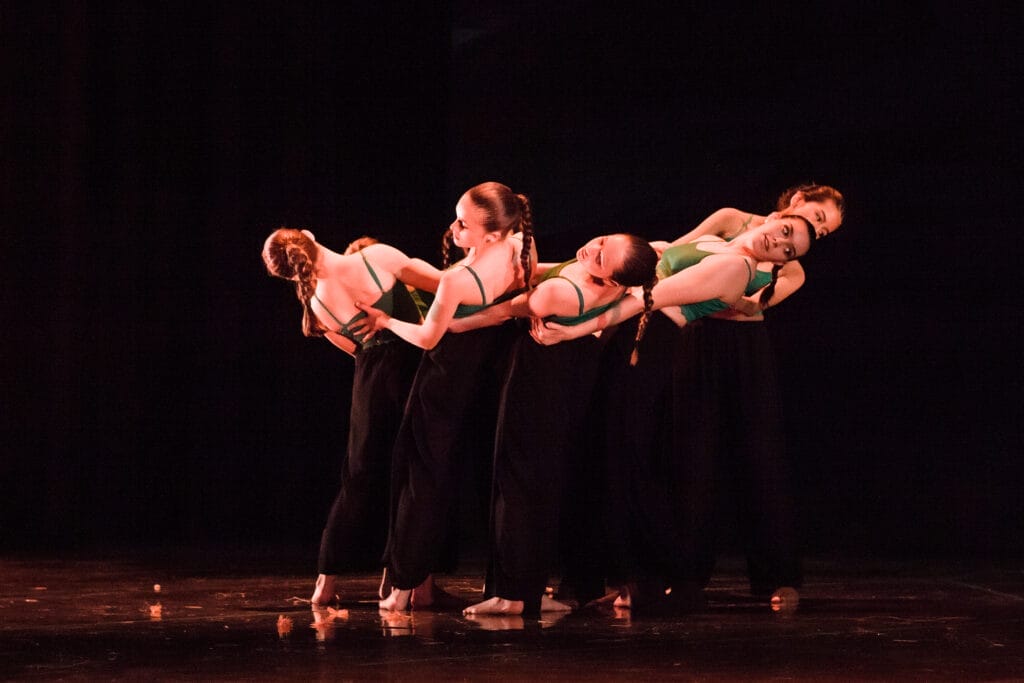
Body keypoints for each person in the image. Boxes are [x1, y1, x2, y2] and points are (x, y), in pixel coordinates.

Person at [532, 213, 818, 613]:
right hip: (634, 333)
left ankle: (651, 578)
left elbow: (649, 298)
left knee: (620, 458)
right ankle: (602, 578)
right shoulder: (721, 244)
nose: (780, 244)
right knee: (604, 453)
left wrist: (576, 329)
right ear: (774, 218)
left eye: (789, 250)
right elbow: (652, 265)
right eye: (785, 232)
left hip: (648, 341)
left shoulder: (737, 267)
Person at [445, 234, 658, 617]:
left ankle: (514, 596)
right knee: (532, 484)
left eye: (601, 257)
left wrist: (452, 321)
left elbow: (502, 309)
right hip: (561, 374)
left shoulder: (561, 294)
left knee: (519, 484)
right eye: (602, 241)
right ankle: (524, 590)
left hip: (541, 381)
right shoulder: (614, 277)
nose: (592, 249)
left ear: (612, 280)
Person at [356, 181, 535, 612]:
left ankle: (403, 585)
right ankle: (465, 583)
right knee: (465, 476)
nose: (453, 228)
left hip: (444, 379)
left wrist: (384, 321)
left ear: (492, 234)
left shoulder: (460, 279)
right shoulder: (520, 246)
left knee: (420, 477)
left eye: (464, 224)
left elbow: (427, 337)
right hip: (486, 374)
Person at [261, 227, 442, 606]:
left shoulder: (316, 304)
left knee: (358, 478)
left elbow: (357, 350)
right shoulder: (376, 257)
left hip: (370, 380)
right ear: (308, 235)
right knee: (413, 474)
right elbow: (444, 286)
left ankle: (325, 582)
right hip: (411, 367)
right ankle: (406, 582)